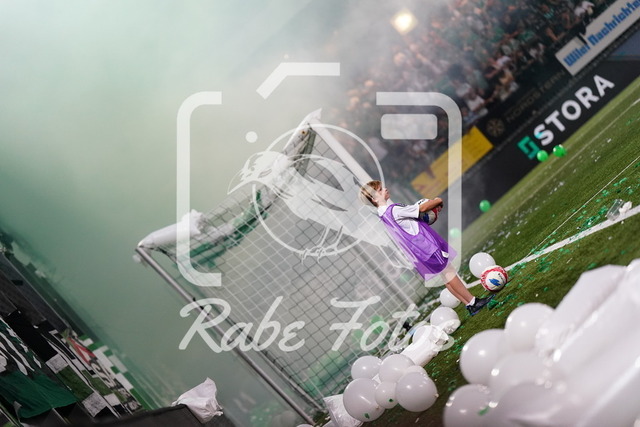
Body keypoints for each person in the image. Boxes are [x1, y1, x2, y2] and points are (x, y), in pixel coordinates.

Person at [360, 180, 493, 316]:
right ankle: (473, 302)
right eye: (380, 190)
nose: (385, 189)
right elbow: (422, 209)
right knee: (449, 272)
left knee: (445, 276)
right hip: (427, 246)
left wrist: (429, 212)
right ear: (374, 199)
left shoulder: (383, 215)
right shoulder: (393, 210)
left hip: (419, 251)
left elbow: (413, 218)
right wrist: (437, 201)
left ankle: (469, 304)